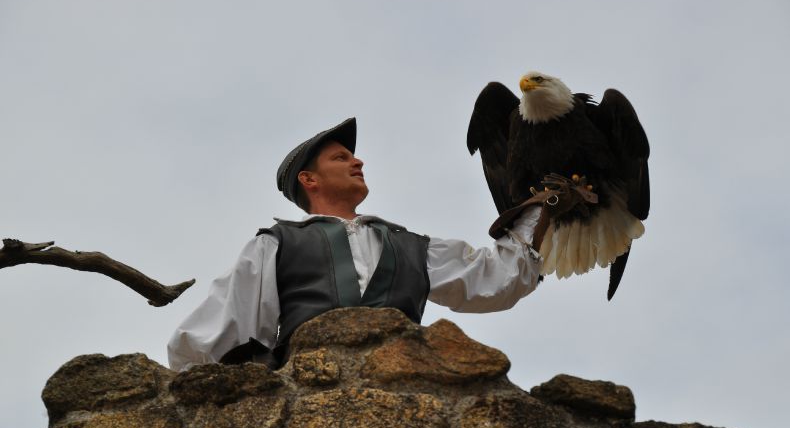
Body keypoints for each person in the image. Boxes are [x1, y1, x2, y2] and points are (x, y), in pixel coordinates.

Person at [167, 118, 546, 371]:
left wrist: (542, 208)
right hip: (308, 389)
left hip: (407, 386)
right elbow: (224, 331)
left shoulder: (414, 246)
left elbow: (497, 279)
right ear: (309, 180)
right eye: (341, 157)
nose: (358, 161)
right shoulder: (276, 244)